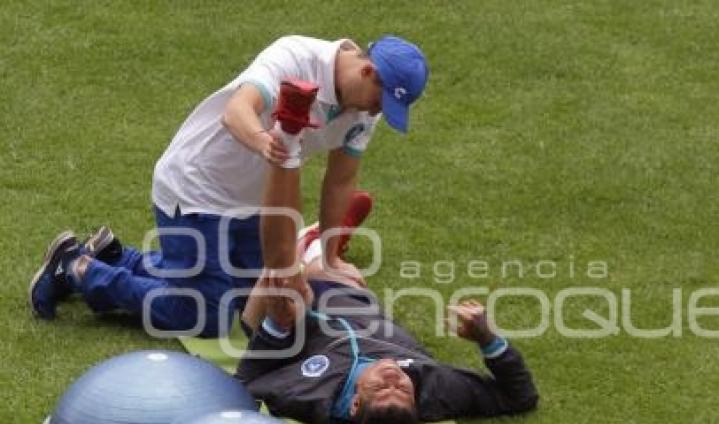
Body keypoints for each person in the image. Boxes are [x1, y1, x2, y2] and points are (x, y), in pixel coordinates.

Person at [29, 35, 429, 337]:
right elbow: (237, 111)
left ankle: (117, 256)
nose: (378, 112)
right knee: (205, 315)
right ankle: (79, 269)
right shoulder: (294, 57)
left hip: (253, 204)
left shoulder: (364, 108)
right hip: (195, 189)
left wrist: (331, 254)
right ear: (368, 72)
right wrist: (264, 143)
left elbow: (341, 180)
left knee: (259, 299)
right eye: (382, 101)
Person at [236, 228, 539, 424]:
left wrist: (277, 325)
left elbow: (246, 384)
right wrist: (487, 339)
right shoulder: (437, 390)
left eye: (381, 389)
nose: (394, 377)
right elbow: (520, 397)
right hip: (352, 302)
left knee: (285, 275)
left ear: (355, 404)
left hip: (295, 326)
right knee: (334, 272)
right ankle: (320, 247)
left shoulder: (309, 396)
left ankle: (309, 245)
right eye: (403, 391)